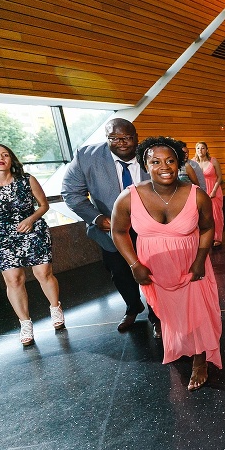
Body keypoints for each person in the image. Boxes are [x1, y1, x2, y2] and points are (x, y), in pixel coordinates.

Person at [111, 137, 221, 391]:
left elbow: (207, 227)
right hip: (154, 268)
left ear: (179, 162)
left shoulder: (197, 195)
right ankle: (183, 344)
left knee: (197, 311)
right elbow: (118, 231)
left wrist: (200, 260)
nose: (164, 167)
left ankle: (200, 359)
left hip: (191, 264)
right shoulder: (129, 197)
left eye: (170, 161)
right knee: (170, 312)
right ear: (145, 165)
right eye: (155, 162)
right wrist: (134, 264)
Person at [62, 118, 160, 336]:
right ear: (106, 138)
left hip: (151, 229)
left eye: (126, 137)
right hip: (110, 231)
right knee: (120, 273)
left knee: (155, 273)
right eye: (114, 138)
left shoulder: (152, 153)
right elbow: (71, 192)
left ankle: (158, 315)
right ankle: (133, 307)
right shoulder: (86, 156)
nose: (121, 143)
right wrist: (97, 218)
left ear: (136, 137)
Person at [0, 143, 64, 346]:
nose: (0, 158)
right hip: (1, 237)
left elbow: (44, 205)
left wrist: (31, 219)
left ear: (11, 159)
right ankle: (25, 323)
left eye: (5, 154)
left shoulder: (26, 180)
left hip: (33, 230)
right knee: (14, 280)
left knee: (43, 274)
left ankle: (55, 307)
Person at [193, 142, 224, 248]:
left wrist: (214, 191)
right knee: (200, 216)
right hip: (200, 191)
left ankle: (217, 237)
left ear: (206, 150)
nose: (200, 150)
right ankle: (204, 237)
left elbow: (219, 177)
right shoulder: (193, 162)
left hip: (213, 189)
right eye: (198, 148)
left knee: (216, 215)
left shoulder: (213, 161)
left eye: (202, 148)